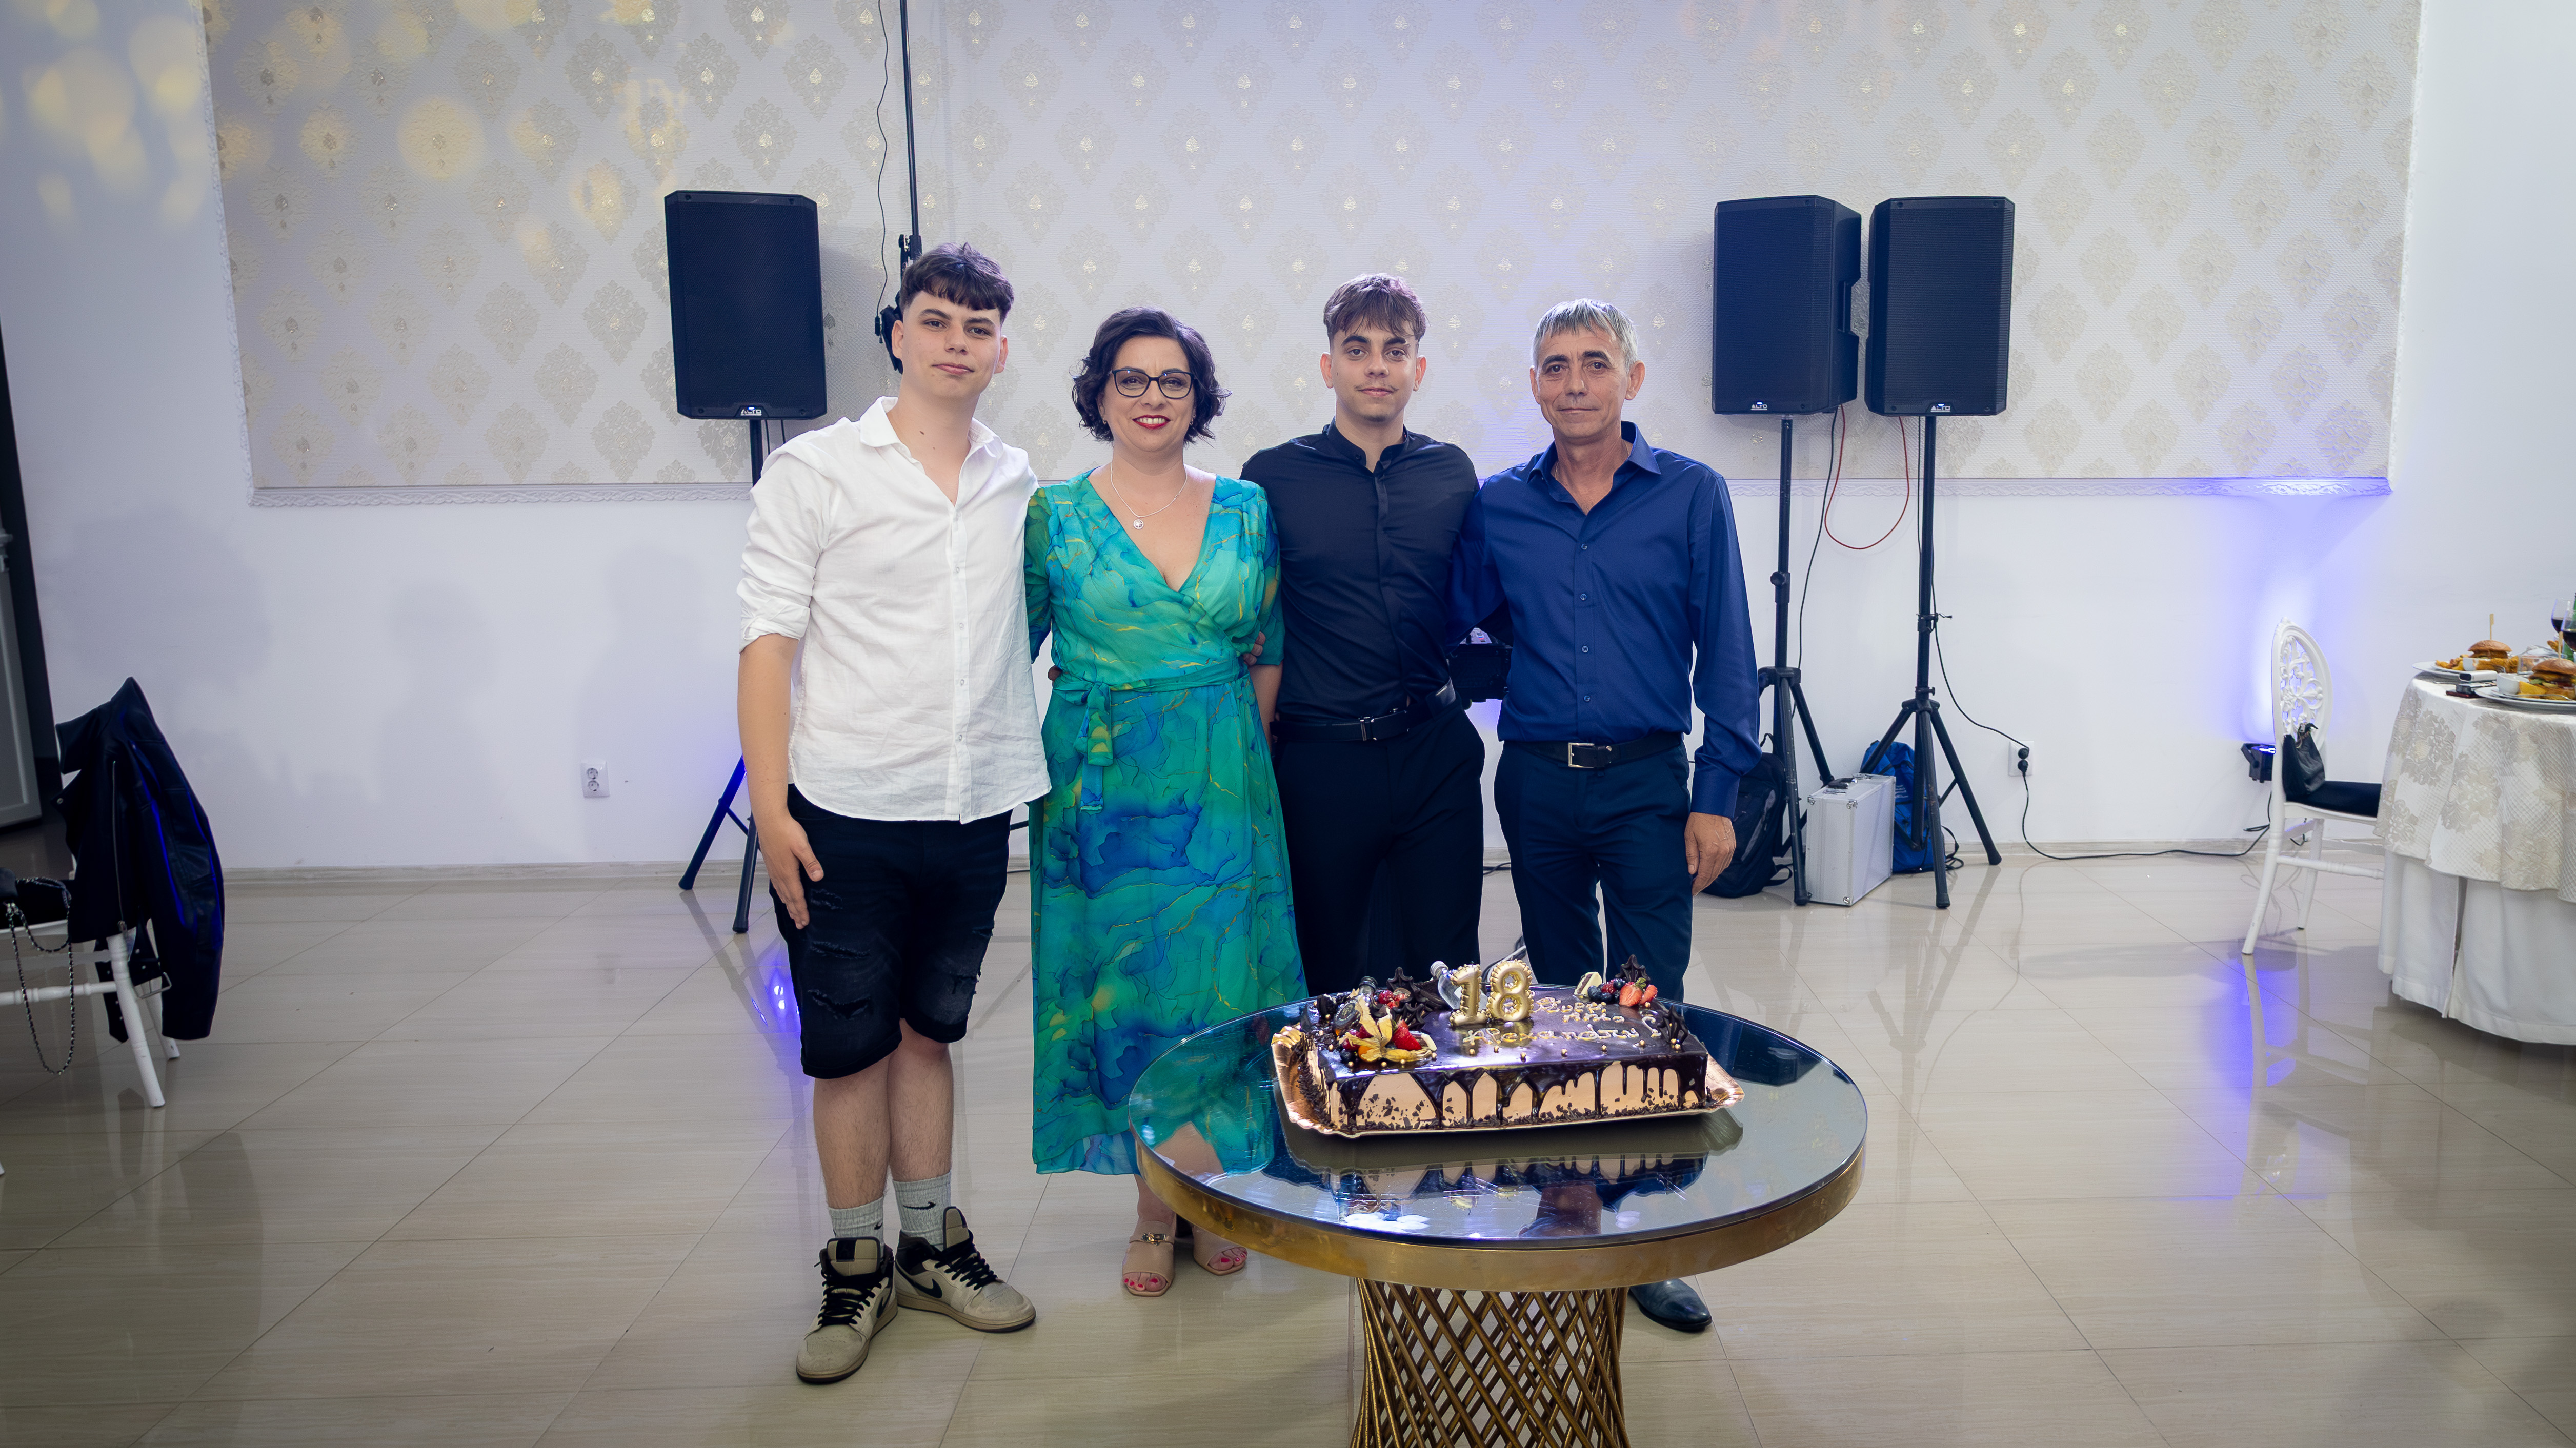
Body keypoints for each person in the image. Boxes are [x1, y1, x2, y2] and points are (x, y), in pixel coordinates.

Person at [737, 242, 1041, 1387]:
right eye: (937, 321)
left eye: (979, 327)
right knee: (849, 1049)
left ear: (1001, 350)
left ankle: (929, 1245)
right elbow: (768, 643)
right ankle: (854, 1262)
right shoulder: (816, 470)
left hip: (970, 811)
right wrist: (771, 807)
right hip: (845, 810)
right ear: (899, 334)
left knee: (928, 1033)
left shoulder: (1018, 479)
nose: (957, 343)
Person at [1444, 297, 1760, 1334]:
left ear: (1632, 378)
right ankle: (1569, 1208)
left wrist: (1717, 798)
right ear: (1532, 384)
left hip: (1648, 784)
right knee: (1558, 1006)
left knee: (1647, 1007)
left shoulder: (1691, 495)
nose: (1573, 382)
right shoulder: (1500, 504)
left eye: (1593, 362)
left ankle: (1643, 1234)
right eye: (1554, 365)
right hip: (1536, 780)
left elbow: (1729, 653)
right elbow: (1456, 620)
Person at [1024, 307, 1305, 1297]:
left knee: (1220, 988)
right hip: (1101, 795)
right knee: (1129, 994)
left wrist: (1233, 756)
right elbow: (1007, 651)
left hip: (1224, 782)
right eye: (1132, 379)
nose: (1153, 397)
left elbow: (1268, 645)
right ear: (1099, 394)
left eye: (1173, 380)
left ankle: (1209, 1189)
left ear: (1199, 397)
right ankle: (1155, 1207)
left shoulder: (1247, 508)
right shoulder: (1053, 515)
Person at [1241, 274, 1485, 994]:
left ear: (1419, 368)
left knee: (1449, 973)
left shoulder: (1453, 473)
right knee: (1326, 977)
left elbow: (1474, 598)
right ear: (1329, 366)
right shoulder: (1271, 479)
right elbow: (1248, 612)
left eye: (1395, 350)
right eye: (1358, 349)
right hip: (1323, 760)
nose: (1377, 366)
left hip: (1435, 754)